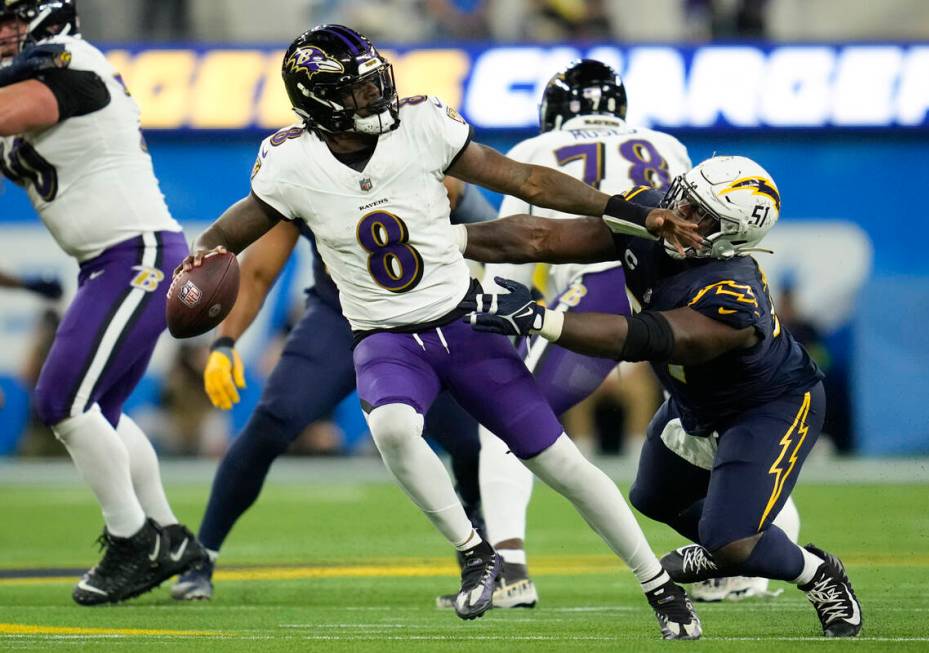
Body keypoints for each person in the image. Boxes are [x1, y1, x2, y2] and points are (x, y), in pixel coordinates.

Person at [175, 24, 704, 639]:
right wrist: (200, 264)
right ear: (320, 102)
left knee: (562, 464)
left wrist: (631, 211)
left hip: (466, 321)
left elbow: (527, 182)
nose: (377, 95)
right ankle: (476, 551)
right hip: (386, 338)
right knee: (393, 427)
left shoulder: (422, 125)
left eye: (376, 80)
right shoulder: (291, 162)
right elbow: (227, 237)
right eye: (358, 89)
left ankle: (659, 587)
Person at [458, 156, 863, 638]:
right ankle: (727, 542)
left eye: (699, 215)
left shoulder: (735, 290)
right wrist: (447, 240)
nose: (678, 213)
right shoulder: (655, 214)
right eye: (684, 196)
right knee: (652, 496)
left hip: (768, 406)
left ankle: (816, 574)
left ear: (728, 236)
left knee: (732, 543)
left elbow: (647, 337)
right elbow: (541, 238)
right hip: (695, 401)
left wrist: (540, 318)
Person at [469, 58, 801, 609]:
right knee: (721, 425)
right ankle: (754, 564)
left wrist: (510, 319)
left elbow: (520, 253)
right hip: (680, 290)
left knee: (505, 415)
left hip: (600, 279)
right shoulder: (664, 144)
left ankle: (508, 570)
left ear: (554, 110)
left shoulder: (534, 150)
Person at [171, 177, 499, 601]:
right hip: (338, 318)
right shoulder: (297, 168)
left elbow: (491, 234)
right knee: (272, 422)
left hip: (418, 319)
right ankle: (203, 558)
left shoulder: (417, 146)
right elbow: (257, 271)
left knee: (471, 442)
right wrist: (225, 341)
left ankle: (481, 555)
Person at [0, 0, 205, 605]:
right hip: (109, 261)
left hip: (134, 255)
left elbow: (14, 110)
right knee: (97, 413)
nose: (3, 32)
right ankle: (167, 534)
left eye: (11, 19)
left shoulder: (71, 66)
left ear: (46, 21)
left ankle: (131, 540)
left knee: (60, 400)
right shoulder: (30, 80)